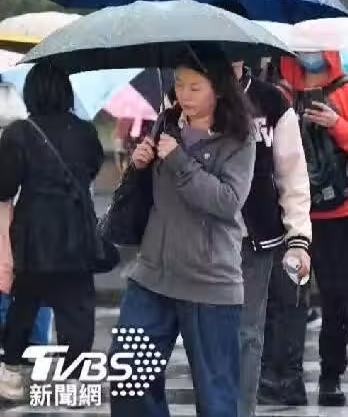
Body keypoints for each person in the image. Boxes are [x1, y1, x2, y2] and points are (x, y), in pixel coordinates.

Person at [109, 43, 256, 417]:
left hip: (210, 282)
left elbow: (227, 201)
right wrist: (140, 164)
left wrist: (178, 159)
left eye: (195, 87)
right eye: (178, 84)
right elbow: (149, 193)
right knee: (129, 375)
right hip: (152, 275)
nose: (184, 95)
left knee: (217, 400)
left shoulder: (240, 137)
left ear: (218, 88)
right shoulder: (166, 123)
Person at [210, 0, 313, 417]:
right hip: (203, 234)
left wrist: (299, 238)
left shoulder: (272, 103)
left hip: (257, 237)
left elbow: (292, 174)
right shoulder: (190, 94)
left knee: (248, 332)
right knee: (207, 331)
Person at [0, 63, 104, 403]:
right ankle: (75, 381)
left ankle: (11, 372)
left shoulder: (18, 134)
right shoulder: (85, 132)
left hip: (33, 236)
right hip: (76, 234)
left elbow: (5, 186)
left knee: (24, 305)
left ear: (31, 93)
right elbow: (92, 169)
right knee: (77, 312)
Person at [279, 50, 348, 406]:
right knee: (289, 299)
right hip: (293, 211)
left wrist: (336, 123)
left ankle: (330, 375)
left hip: (341, 212)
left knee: (338, 299)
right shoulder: (282, 94)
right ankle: (286, 376)